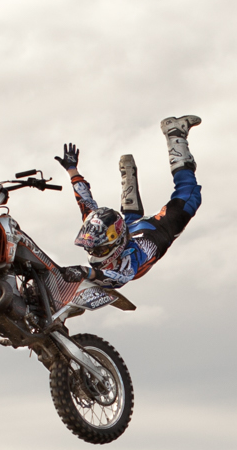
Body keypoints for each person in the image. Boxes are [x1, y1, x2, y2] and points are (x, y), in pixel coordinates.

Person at [56, 115, 202, 307]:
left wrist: (86, 272)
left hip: (153, 231)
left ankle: (175, 133)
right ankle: (128, 174)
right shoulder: (96, 231)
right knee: (133, 218)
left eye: (99, 249)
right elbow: (86, 203)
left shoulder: (129, 260)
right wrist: (72, 170)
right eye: (91, 248)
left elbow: (118, 278)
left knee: (190, 194)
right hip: (141, 231)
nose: (93, 252)